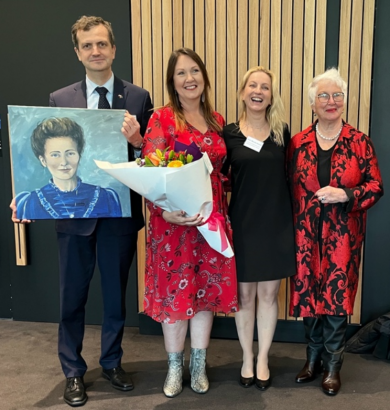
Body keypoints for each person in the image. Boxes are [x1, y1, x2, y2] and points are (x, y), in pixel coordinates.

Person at [11, 16, 153, 407]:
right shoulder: (60, 98)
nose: (96, 51)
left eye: (102, 44)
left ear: (113, 48)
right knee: (71, 298)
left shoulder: (138, 98)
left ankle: (111, 362)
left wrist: (139, 141)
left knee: (114, 297)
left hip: (117, 214)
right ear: (77, 52)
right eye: (88, 45)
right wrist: (23, 195)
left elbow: (151, 159)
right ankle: (73, 371)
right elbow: (39, 157)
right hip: (71, 218)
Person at [142, 48, 238, 398]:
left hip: (210, 221)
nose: (189, 79)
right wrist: (163, 211)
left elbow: (224, 174)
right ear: (172, 82)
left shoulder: (217, 120)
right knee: (175, 296)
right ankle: (174, 366)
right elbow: (150, 173)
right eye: (181, 73)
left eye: (195, 71)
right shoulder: (162, 119)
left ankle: (198, 364)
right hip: (173, 225)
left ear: (204, 77)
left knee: (205, 292)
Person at [287, 68, 383, 396]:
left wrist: (347, 195)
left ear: (344, 100)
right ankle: (311, 360)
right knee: (310, 301)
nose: (331, 101)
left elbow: (375, 187)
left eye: (337, 95)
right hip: (305, 236)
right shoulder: (297, 143)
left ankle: (332, 367)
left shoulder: (359, 142)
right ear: (312, 104)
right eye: (323, 96)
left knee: (336, 302)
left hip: (343, 236)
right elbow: (286, 187)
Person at [222, 67, 296, 391]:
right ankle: (246, 356)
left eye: (264, 87)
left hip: (275, 223)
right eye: (252, 85)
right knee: (244, 295)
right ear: (242, 92)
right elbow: (217, 178)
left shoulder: (282, 132)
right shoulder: (229, 134)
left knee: (268, 294)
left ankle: (263, 357)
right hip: (243, 223)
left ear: (270, 95)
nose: (258, 91)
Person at [16, 117, 122, 219]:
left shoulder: (106, 197)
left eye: (70, 153)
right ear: (43, 160)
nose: (64, 162)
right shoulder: (29, 202)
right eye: (55, 155)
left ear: (79, 155)